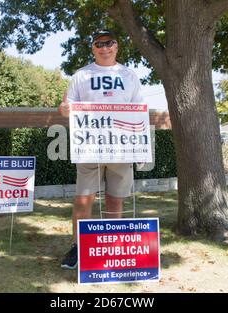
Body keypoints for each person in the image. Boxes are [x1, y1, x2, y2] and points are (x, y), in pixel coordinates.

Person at [58, 29, 144, 269]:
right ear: (93, 48)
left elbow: (138, 111)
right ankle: (78, 246)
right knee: (83, 200)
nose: (104, 47)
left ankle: (111, 247)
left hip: (121, 148)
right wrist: (64, 109)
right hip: (89, 147)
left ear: (116, 46)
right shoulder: (81, 75)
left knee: (115, 200)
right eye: (99, 44)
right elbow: (68, 107)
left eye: (109, 43)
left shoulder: (129, 75)